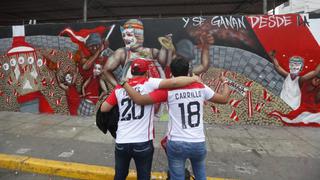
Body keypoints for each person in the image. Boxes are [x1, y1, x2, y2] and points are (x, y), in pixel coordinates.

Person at [121, 56, 230, 180]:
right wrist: (225, 82)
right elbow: (224, 99)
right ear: (188, 72)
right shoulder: (201, 87)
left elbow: (139, 99)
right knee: (201, 176)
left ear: (171, 73)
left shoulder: (168, 91)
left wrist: (124, 84)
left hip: (177, 142)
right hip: (198, 141)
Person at [100, 58, 201, 180]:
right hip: (142, 141)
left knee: (120, 176)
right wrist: (194, 79)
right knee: (143, 177)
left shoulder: (121, 88)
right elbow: (174, 83)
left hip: (122, 140)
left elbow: (104, 108)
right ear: (146, 72)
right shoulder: (149, 82)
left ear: (131, 72)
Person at [103, 19, 172, 86]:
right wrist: (119, 87)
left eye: (129, 35)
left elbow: (164, 63)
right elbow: (106, 70)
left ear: (139, 35)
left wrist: (165, 46)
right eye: (124, 35)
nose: (125, 38)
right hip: (132, 93)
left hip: (151, 93)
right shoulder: (122, 53)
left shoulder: (152, 51)